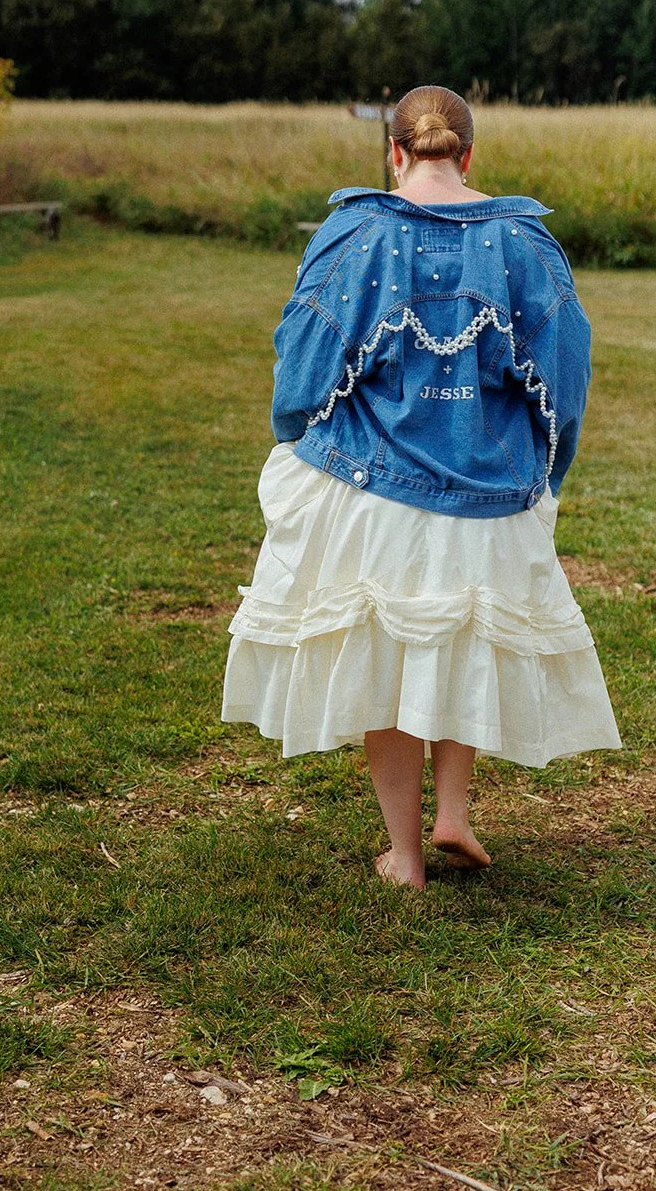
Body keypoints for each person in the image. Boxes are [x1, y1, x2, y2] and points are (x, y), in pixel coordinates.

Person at [222, 85, 621, 889]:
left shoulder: (350, 234)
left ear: (394, 153)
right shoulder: (526, 243)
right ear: (469, 154)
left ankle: (404, 855)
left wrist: (294, 434)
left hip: (372, 490)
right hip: (490, 490)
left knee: (387, 656)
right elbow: (564, 380)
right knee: (459, 638)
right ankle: (453, 815)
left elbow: (303, 365)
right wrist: (548, 473)